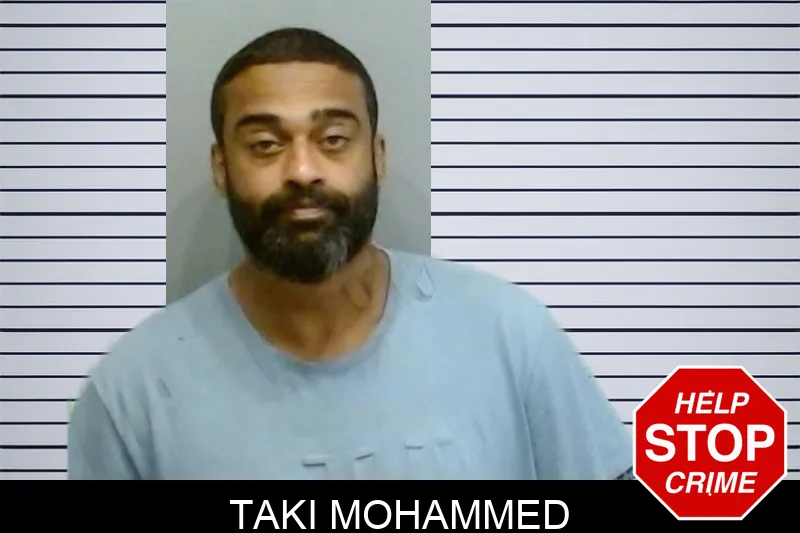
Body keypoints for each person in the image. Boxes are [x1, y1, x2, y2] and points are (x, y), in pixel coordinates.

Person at [67, 27, 633, 480]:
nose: (302, 170)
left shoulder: (509, 334)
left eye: (333, 139)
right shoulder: (133, 395)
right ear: (221, 168)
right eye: (265, 144)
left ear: (378, 156)